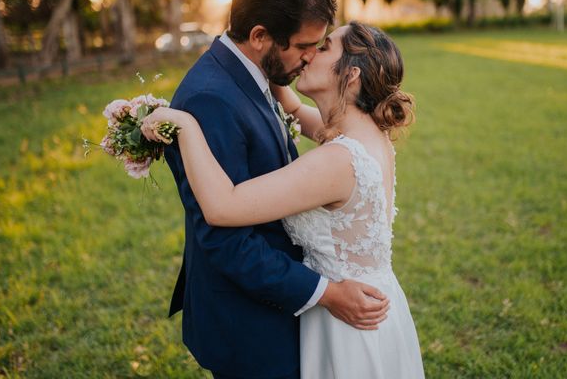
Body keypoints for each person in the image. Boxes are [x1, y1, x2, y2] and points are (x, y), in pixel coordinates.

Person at [143, 21, 426, 378]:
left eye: (324, 48)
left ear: (351, 74)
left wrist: (185, 125)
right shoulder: (369, 134)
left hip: (347, 320)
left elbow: (223, 206)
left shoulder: (337, 161)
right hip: (376, 304)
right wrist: (265, 51)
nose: (309, 54)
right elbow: (293, 108)